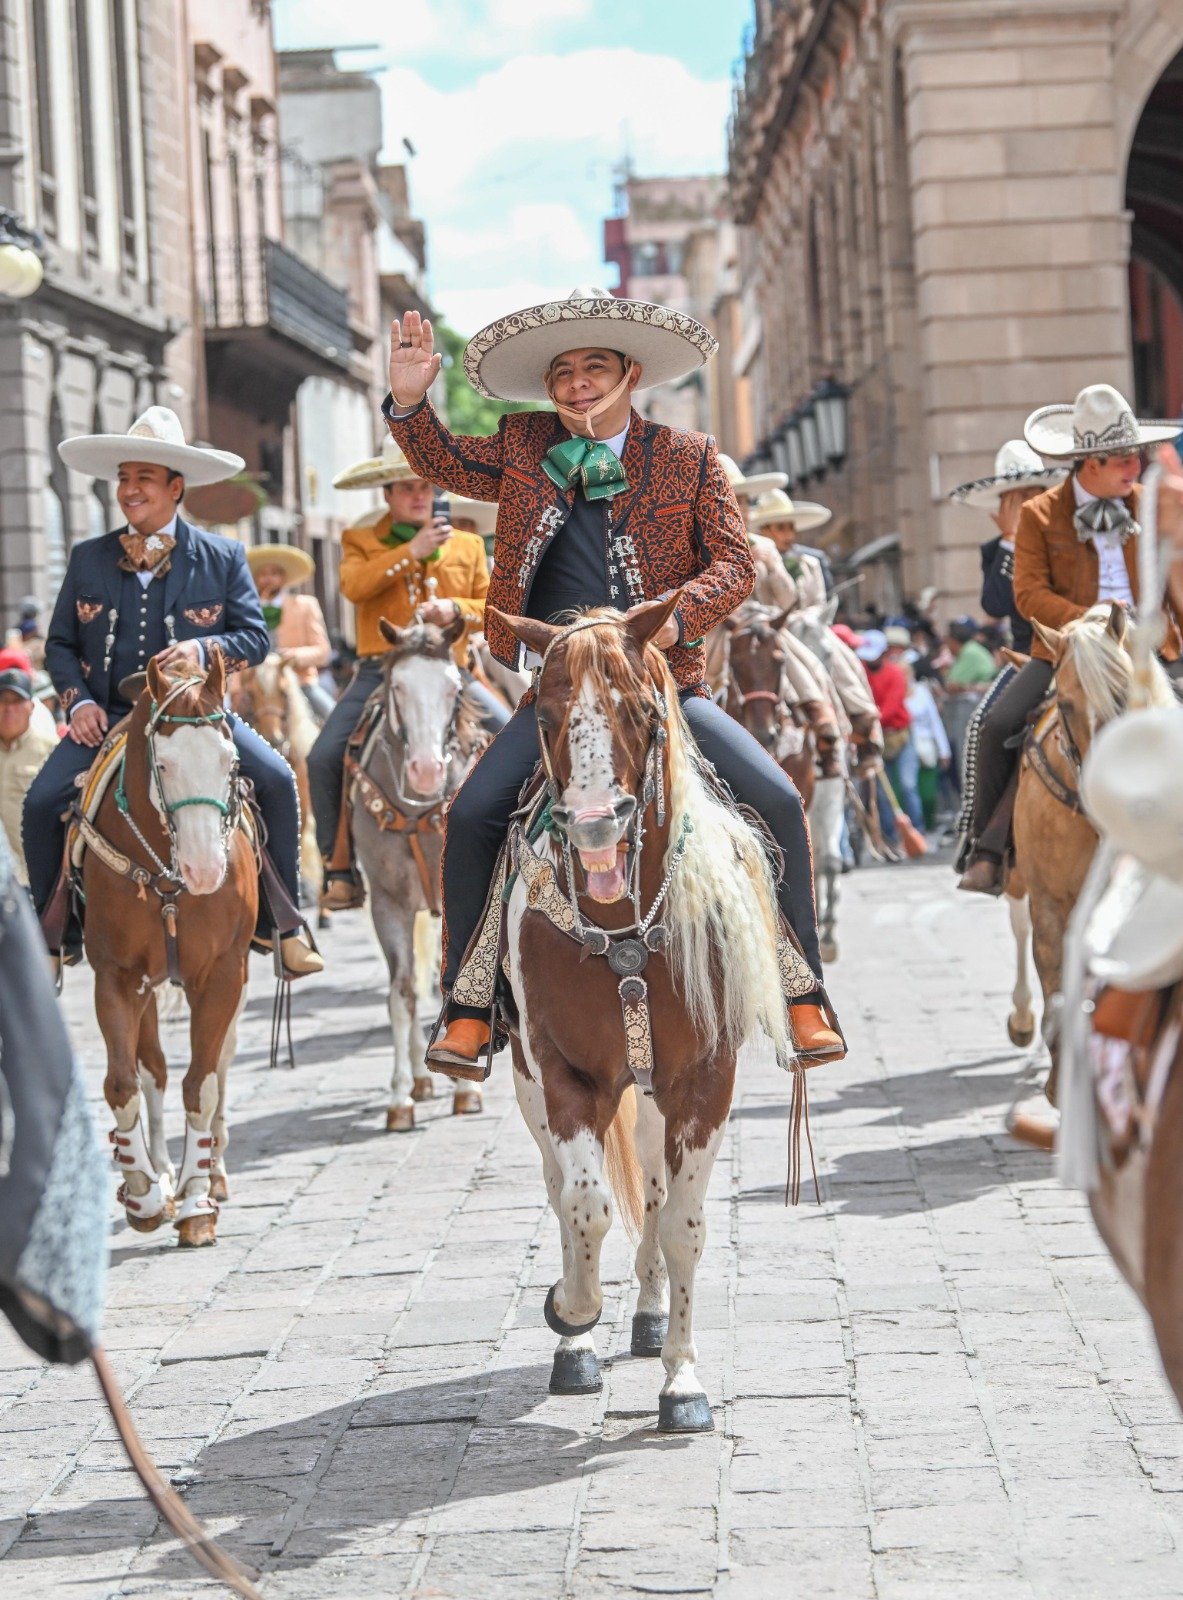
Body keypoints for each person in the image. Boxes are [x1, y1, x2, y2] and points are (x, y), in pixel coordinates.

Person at [383, 288, 844, 1075]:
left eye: (593, 368)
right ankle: (467, 1005)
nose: (574, 384)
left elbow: (734, 564)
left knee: (773, 797)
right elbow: (443, 463)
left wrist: (676, 618)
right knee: (471, 817)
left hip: (661, 687)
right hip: (558, 695)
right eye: (561, 372)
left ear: (630, 375)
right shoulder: (523, 445)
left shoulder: (689, 456)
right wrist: (407, 401)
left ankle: (801, 995)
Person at [23, 406, 322, 976]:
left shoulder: (223, 556)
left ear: (175, 487)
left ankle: (284, 925)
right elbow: (60, 643)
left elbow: (255, 639)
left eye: (144, 479)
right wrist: (77, 701)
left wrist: (205, 651)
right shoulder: (88, 557)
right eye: (124, 479)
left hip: (197, 718)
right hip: (107, 718)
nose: (129, 491)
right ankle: (54, 938)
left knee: (280, 780)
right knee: (40, 804)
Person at [959, 384, 1182, 895]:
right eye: (1125, 459)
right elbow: (1029, 594)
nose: (1135, 468)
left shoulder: (1153, 505)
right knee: (996, 724)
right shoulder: (1039, 514)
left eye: (1137, 457)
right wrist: (1090, 622)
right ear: (1092, 464)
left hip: (1150, 645)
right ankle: (989, 848)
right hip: (1070, 646)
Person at [308, 439, 508, 911]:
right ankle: (339, 868)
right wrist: (412, 551)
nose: (417, 496)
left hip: (451, 670)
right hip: (381, 670)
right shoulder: (361, 540)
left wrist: (454, 609)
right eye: (405, 488)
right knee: (323, 755)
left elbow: (495, 608)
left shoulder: (468, 544)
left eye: (423, 486)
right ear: (387, 494)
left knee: (515, 738)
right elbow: (355, 588)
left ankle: (526, 853)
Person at [245, 543, 334, 720]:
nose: (268, 579)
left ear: (284, 578)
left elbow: (323, 651)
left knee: (333, 719)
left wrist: (294, 656)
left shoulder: (305, 605)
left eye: (274, 573)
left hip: (300, 683)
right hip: (257, 688)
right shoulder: (247, 611)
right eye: (263, 574)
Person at [0, 659, 57, 885]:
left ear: (32, 706)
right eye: (3, 701)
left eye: (17, 701)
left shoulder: (51, 751)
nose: (9, 709)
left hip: (32, 879)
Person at [749, 488, 833, 608]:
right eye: (780, 528)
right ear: (763, 531)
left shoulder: (810, 564)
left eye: (791, 527)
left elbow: (820, 604)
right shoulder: (755, 565)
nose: (789, 535)